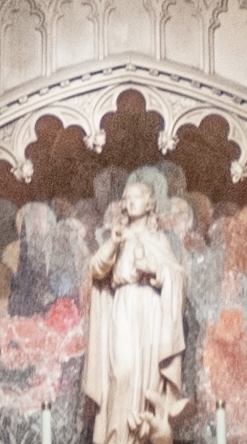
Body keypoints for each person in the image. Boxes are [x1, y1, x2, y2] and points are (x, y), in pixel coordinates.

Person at [80, 188, 190, 444]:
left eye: (137, 196)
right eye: (127, 197)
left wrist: (156, 270)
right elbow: (96, 270)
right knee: (123, 372)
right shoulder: (119, 237)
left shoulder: (158, 239)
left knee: (148, 382)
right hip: (124, 305)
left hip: (151, 310)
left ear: (150, 203)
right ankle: (116, 438)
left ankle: (142, 437)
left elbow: (177, 276)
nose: (131, 201)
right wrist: (114, 243)